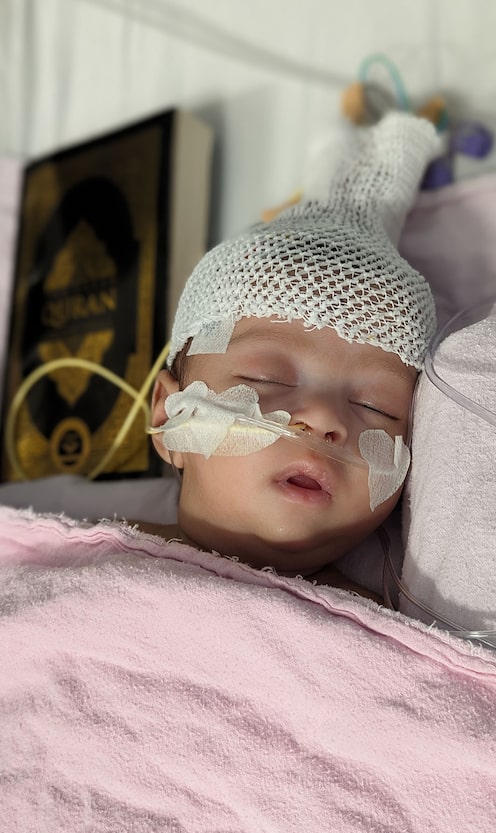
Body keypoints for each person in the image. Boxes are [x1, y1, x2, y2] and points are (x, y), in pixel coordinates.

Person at [144, 111, 440, 599]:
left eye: (376, 408)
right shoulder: (78, 555)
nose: (324, 418)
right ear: (170, 416)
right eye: (267, 377)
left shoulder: (377, 631)